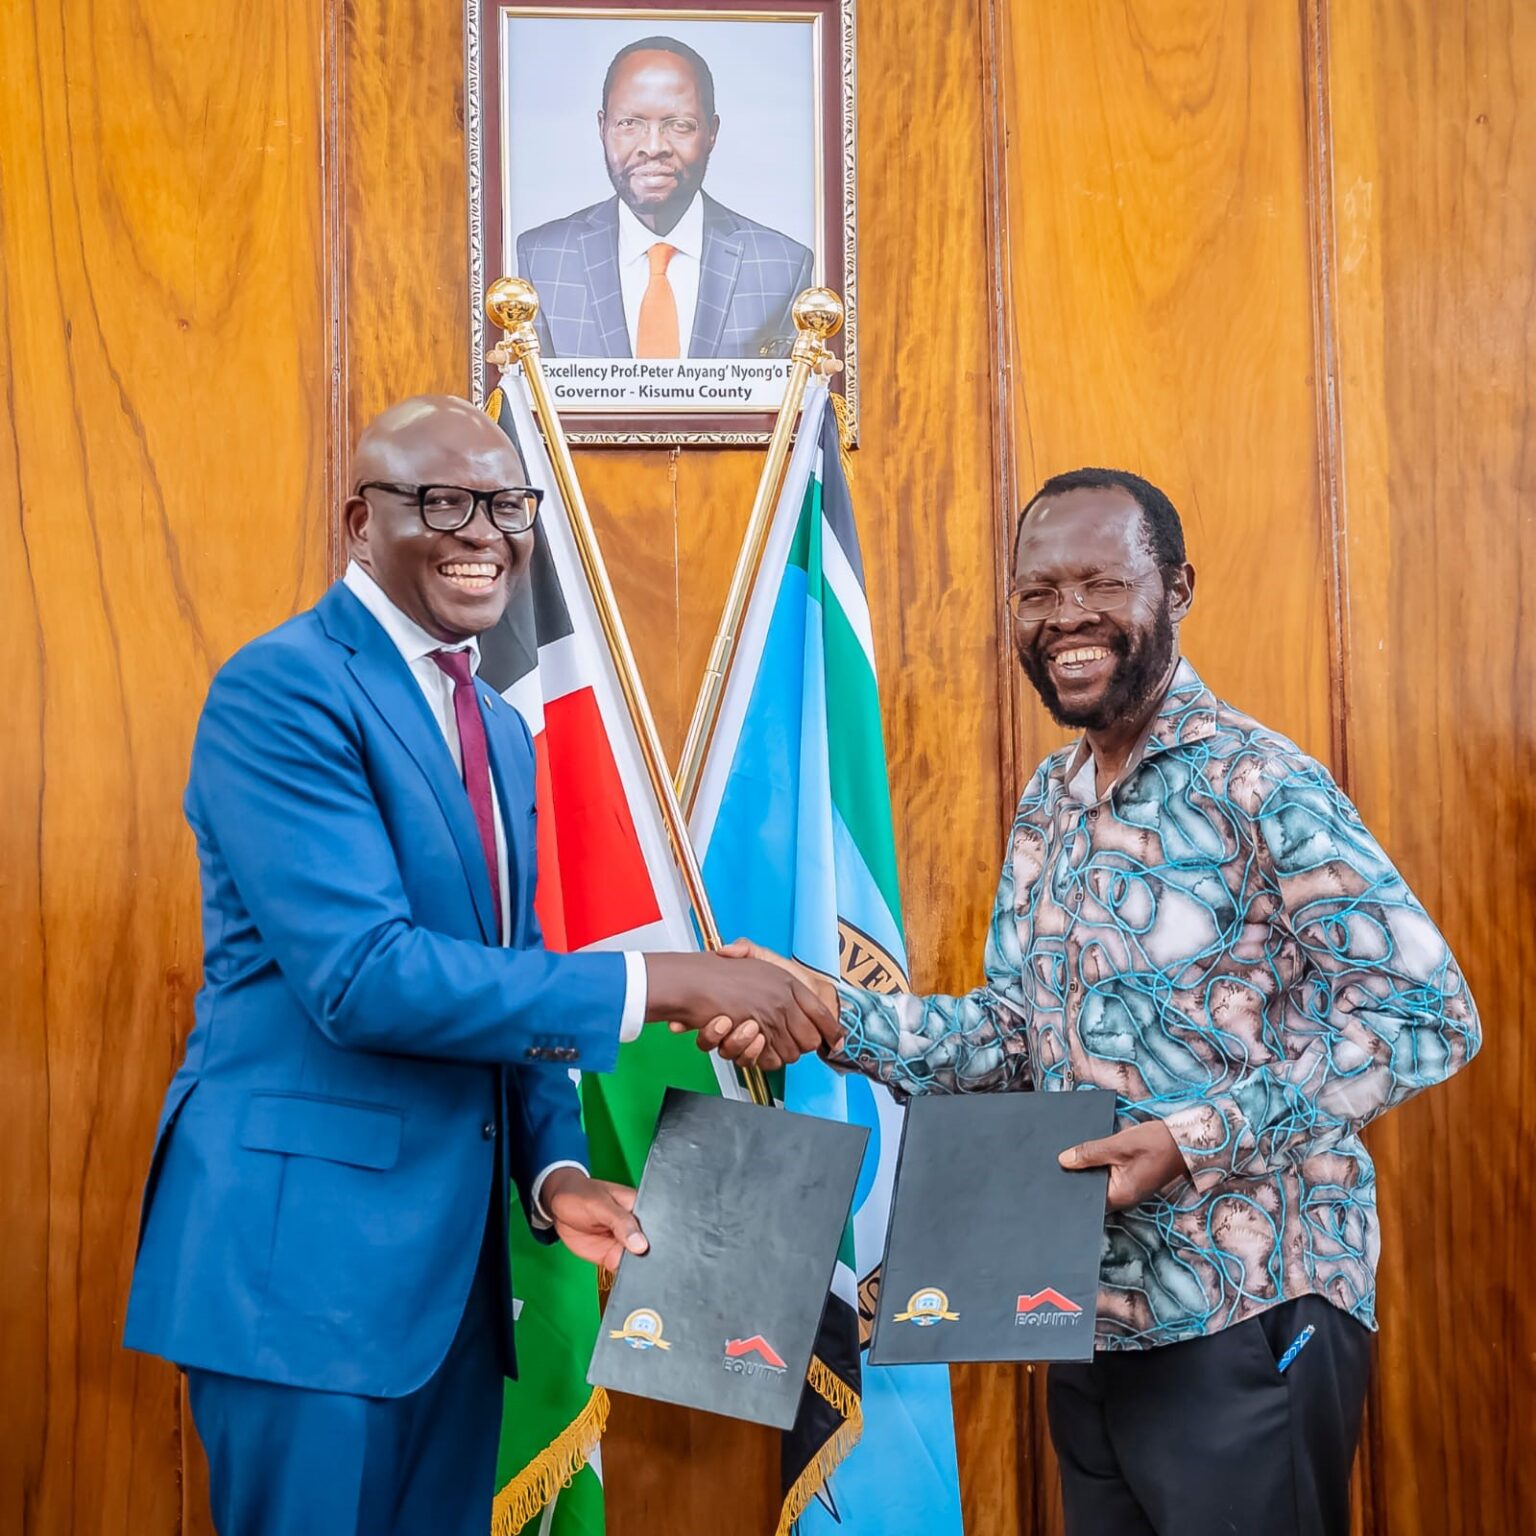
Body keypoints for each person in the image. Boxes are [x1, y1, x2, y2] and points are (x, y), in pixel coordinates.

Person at [710, 467, 1482, 1536]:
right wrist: (833, 1012)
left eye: (1102, 584)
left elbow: (1427, 1014)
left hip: (1247, 1309)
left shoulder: (1260, 782)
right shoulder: (1050, 800)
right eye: (1037, 592)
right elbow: (1012, 1035)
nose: (1066, 616)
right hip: (1080, 1311)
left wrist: (1192, 1140)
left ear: (1177, 589)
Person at [123, 394, 835, 1536]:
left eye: (508, 506)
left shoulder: (495, 724)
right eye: (443, 502)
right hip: (302, 1279)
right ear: (362, 523)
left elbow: (510, 967)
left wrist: (556, 1173)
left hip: (454, 1288)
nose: (485, 535)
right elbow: (364, 977)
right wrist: (667, 983)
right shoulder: (283, 689)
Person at [516, 35, 814, 360]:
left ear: (712, 132)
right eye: (629, 123)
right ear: (602, 127)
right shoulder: (544, 259)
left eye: (680, 125)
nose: (654, 146)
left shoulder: (782, 267)